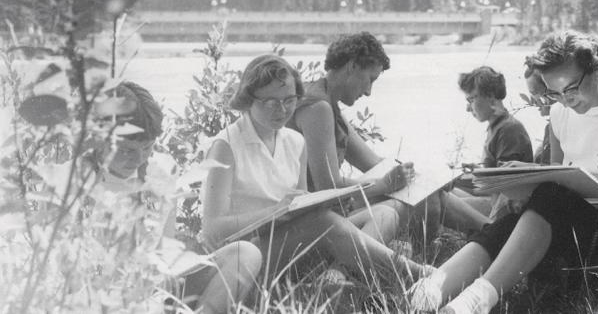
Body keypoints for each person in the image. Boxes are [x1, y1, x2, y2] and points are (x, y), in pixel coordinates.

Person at [409, 31, 598, 314]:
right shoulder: (559, 113)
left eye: (571, 89)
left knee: (552, 195)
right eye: (555, 92)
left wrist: (583, 195)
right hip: (560, 221)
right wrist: (527, 176)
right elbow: (556, 172)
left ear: (595, 69)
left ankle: (475, 301)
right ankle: (426, 294)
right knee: (511, 220)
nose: (566, 100)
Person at [201, 54, 431, 284]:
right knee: (321, 222)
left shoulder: (294, 141)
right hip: (244, 258)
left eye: (289, 100)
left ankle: (334, 275)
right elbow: (213, 230)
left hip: (289, 245)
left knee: (384, 213)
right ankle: (415, 275)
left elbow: (301, 203)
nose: (282, 110)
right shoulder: (226, 145)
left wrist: (320, 202)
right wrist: (276, 211)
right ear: (248, 99)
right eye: (271, 102)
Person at [289, 32, 489, 243]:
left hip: (332, 209)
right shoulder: (318, 107)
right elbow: (327, 188)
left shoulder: (327, 102)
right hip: (315, 219)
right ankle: (487, 233)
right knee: (424, 200)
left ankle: (489, 230)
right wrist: (384, 185)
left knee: (427, 192)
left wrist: (423, 179)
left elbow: (373, 163)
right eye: (370, 80)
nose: (368, 92)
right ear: (352, 67)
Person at [95, 81, 262, 314]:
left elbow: (164, 245)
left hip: (156, 286)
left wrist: (165, 271)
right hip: (104, 294)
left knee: (245, 254)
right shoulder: (71, 183)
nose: (139, 159)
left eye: (148, 147)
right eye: (126, 150)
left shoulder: (161, 171)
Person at [453, 66, 534, 219]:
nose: (467, 108)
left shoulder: (509, 129)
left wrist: (477, 175)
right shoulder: (497, 126)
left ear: (490, 96)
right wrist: (477, 171)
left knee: (444, 200)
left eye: (471, 99)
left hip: (505, 212)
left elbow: (505, 188)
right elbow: (496, 176)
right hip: (494, 199)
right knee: (446, 191)